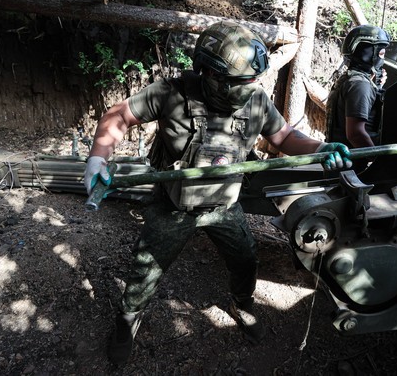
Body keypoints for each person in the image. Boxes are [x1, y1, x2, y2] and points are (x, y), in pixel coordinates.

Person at [83, 21, 352, 365]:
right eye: (242, 81)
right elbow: (118, 117)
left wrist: (322, 147)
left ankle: (242, 304)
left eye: (254, 79)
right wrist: (97, 159)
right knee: (144, 270)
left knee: (245, 259)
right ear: (211, 74)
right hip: (173, 208)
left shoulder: (255, 99)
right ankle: (127, 320)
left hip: (224, 206)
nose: (252, 86)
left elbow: (283, 137)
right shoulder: (171, 93)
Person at [326, 24, 390, 172]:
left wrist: (375, 86)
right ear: (367, 52)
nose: (382, 58)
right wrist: (377, 160)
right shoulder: (360, 85)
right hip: (353, 169)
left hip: (343, 163)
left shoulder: (349, 79)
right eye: (380, 53)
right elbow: (355, 133)